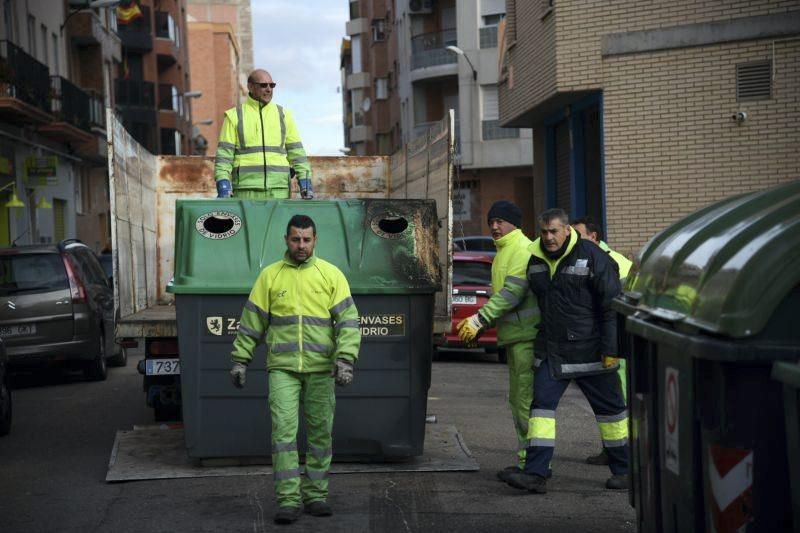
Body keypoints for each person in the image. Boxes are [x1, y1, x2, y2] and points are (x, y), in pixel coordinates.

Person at [229, 214, 361, 524]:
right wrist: (240, 359)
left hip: (321, 370)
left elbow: (349, 323)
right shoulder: (270, 277)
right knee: (284, 435)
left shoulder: (331, 276)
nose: (301, 245)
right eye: (295, 239)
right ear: (286, 240)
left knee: (320, 435)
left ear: (315, 240)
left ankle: (316, 495)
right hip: (283, 370)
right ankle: (288, 499)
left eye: (306, 239)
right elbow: (251, 323)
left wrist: (345, 359)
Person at [504, 208, 629, 494]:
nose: (548, 237)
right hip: (553, 352)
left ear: (567, 231)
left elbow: (612, 306)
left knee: (611, 414)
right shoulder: (535, 259)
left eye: (554, 231)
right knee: (541, 411)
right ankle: (536, 474)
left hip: (593, 352)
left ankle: (625, 472)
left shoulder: (594, 256)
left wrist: (612, 349)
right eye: (544, 232)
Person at [456, 201, 539, 482]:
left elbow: (512, 294)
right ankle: (528, 461)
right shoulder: (503, 252)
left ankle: (535, 466)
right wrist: (484, 325)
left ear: (515, 223)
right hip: (517, 338)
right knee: (519, 401)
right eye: (492, 221)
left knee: (525, 403)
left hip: (527, 338)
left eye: (501, 221)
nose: (494, 226)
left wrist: (479, 320)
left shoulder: (522, 249)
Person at [571, 215, 632, 466]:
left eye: (578, 234)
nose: (573, 239)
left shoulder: (615, 262)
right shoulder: (588, 259)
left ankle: (624, 454)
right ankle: (613, 450)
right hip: (604, 341)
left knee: (619, 403)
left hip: (616, 343)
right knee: (611, 405)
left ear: (593, 237)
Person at [214, 69, 314, 200]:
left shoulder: (284, 115)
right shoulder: (234, 116)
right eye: (263, 85)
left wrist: (306, 185)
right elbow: (224, 157)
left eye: (272, 85)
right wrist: (223, 186)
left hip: (279, 190)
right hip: (246, 190)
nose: (268, 89)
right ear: (250, 86)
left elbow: (297, 154)